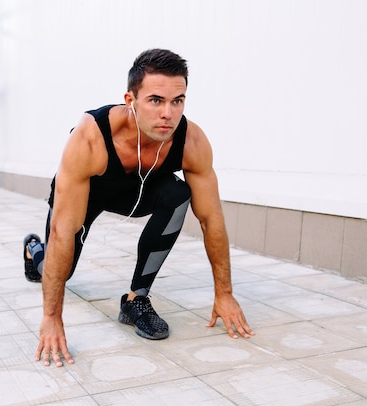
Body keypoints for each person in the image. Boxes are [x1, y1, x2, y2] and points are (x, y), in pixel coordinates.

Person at [24, 48, 254, 367]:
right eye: (155, 100)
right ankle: (34, 250)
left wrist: (225, 293)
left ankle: (136, 300)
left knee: (178, 194)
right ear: (131, 100)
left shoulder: (191, 142)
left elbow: (211, 219)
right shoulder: (91, 138)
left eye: (178, 101)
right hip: (90, 194)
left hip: (137, 193)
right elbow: (63, 231)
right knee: (56, 268)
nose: (168, 114)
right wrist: (51, 317)